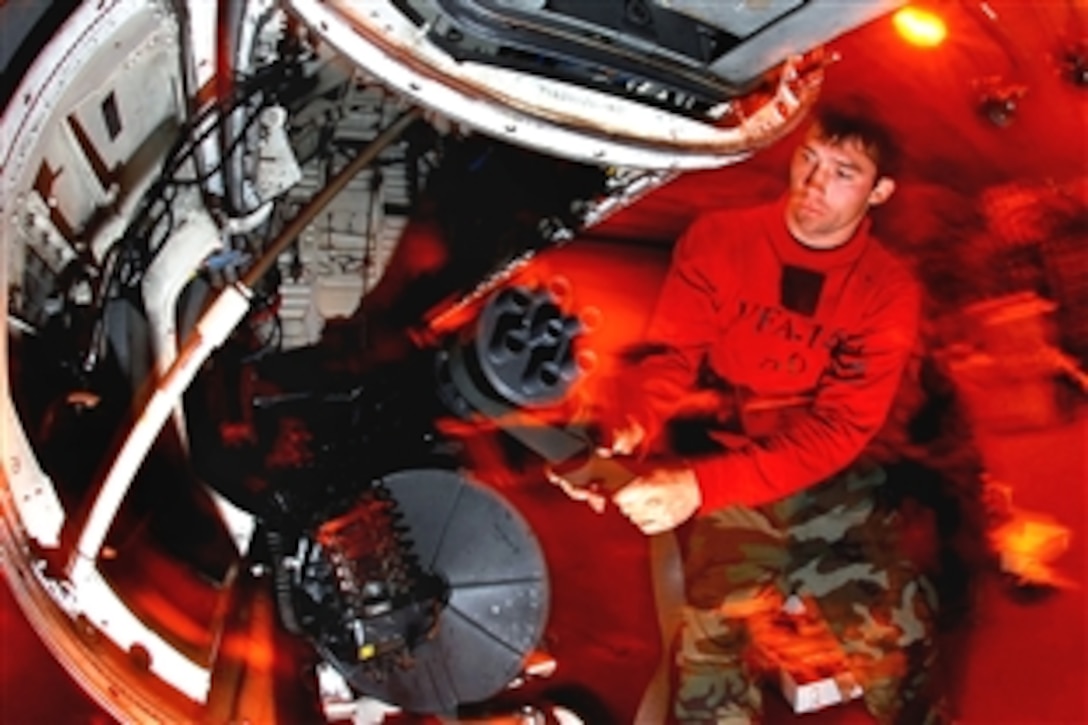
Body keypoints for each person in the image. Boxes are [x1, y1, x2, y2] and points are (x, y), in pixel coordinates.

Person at [551, 100, 946, 723]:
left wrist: (697, 487)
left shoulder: (887, 291)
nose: (814, 186)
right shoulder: (719, 239)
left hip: (837, 483)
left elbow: (839, 429)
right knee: (708, 668)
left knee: (900, 648)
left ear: (880, 191)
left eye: (844, 172)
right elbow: (671, 357)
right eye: (808, 160)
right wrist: (626, 425)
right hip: (734, 466)